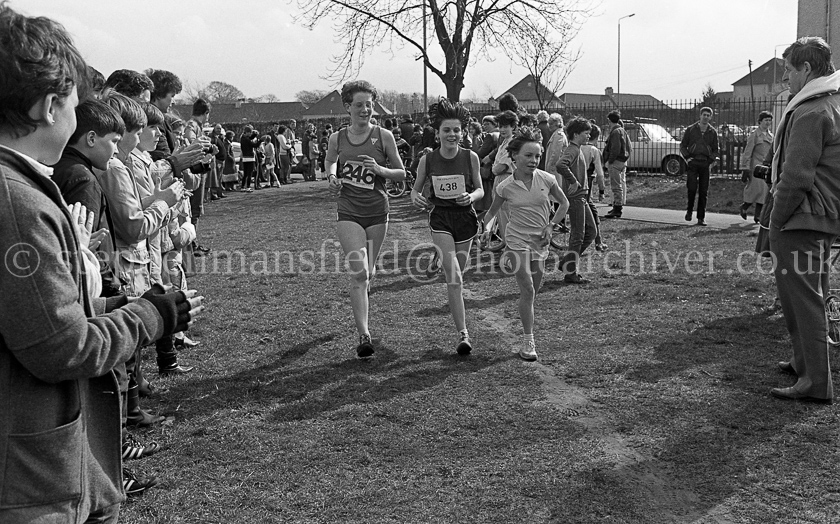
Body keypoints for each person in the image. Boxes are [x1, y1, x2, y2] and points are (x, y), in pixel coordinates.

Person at [0, 5, 204, 521]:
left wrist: (113, 302)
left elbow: (35, 312)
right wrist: (150, 315)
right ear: (50, 106)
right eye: (75, 103)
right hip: (30, 479)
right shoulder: (16, 201)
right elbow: (60, 348)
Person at [769, 37, 840, 404]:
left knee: (805, 301)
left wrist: (775, 221)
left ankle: (814, 381)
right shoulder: (832, 103)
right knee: (804, 296)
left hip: (801, 218)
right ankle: (804, 364)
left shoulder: (812, 110)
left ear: (807, 70)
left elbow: (796, 177)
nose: (785, 78)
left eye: (788, 70)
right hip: (820, 216)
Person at [325, 80, 406, 358]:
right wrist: (333, 177)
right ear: (348, 107)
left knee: (368, 273)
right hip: (348, 210)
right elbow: (330, 161)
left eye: (369, 105)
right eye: (358, 105)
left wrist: (380, 169)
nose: (364, 110)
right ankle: (364, 335)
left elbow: (401, 173)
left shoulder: (384, 136)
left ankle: (363, 302)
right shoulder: (338, 138)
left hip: (377, 213)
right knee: (359, 272)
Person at [480, 127, 569, 361]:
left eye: (537, 156)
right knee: (528, 288)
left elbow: (564, 203)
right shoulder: (505, 186)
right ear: (514, 157)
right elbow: (490, 214)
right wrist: (486, 230)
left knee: (532, 293)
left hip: (539, 241)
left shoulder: (547, 180)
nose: (534, 160)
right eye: (528, 155)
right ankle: (529, 341)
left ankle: (525, 318)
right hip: (516, 240)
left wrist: (551, 225)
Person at [410, 100, 483, 355]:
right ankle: (463, 334)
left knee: (457, 275)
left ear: (462, 132)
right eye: (447, 130)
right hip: (440, 217)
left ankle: (441, 257)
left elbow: (480, 189)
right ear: (438, 133)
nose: (452, 135)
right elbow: (415, 189)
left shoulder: (470, 156)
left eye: (456, 130)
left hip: (464, 218)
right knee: (455, 278)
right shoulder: (427, 160)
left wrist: (471, 197)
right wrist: (415, 197)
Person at [557, 117, 597, 284]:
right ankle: (570, 273)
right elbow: (561, 165)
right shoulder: (572, 150)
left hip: (582, 197)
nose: (589, 136)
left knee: (591, 231)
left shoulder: (578, 149)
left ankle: (567, 263)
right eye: (586, 133)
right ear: (575, 134)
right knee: (578, 235)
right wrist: (573, 181)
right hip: (575, 197)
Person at [680, 106, 719, 226]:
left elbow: (715, 149)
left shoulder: (712, 132)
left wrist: (710, 160)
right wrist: (688, 158)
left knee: (703, 191)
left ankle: (701, 217)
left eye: (708, 115)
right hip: (693, 162)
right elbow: (683, 146)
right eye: (704, 115)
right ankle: (689, 211)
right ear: (700, 116)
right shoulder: (691, 130)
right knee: (691, 188)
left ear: (711, 117)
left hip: (705, 163)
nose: (706, 117)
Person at [739, 111, 773, 222]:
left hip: (765, 167)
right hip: (755, 166)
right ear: (759, 122)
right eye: (765, 120)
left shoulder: (771, 136)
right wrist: (745, 168)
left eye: (769, 120)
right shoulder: (754, 135)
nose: (768, 122)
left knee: (764, 192)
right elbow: (747, 152)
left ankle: (758, 216)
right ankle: (744, 207)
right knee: (755, 190)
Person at [602, 110, 631, 219]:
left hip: (615, 161)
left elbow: (615, 148)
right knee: (618, 185)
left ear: (609, 120)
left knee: (616, 186)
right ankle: (616, 206)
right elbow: (629, 146)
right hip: (622, 161)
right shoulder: (622, 130)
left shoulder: (615, 132)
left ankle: (617, 208)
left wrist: (610, 160)